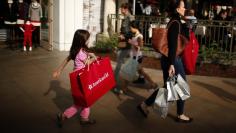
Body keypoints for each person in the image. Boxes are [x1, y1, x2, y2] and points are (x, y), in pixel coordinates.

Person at [137, 0, 193, 123]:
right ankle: (180, 114)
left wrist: (187, 25)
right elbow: (173, 45)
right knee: (181, 86)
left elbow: (183, 39)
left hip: (170, 59)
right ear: (178, 9)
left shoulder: (176, 22)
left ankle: (145, 105)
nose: (186, 9)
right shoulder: (175, 23)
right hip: (173, 60)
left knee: (169, 87)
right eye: (183, 7)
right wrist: (172, 63)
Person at [52, 29, 97, 127]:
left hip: (77, 78)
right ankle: (64, 115)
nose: (89, 40)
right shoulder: (81, 52)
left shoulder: (77, 49)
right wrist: (93, 58)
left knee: (84, 100)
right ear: (82, 41)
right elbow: (87, 62)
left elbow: (67, 59)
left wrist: (59, 70)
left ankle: (84, 118)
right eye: (87, 39)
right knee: (81, 102)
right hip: (81, 79)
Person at [119, 20, 157, 93]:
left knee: (128, 72)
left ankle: (124, 88)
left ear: (135, 28)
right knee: (141, 72)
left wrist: (130, 42)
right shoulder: (135, 35)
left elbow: (140, 46)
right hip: (135, 57)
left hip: (136, 58)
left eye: (131, 28)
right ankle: (153, 84)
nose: (130, 29)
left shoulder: (139, 36)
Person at [113, 3, 134, 94]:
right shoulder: (127, 18)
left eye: (121, 8)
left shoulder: (130, 18)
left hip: (126, 44)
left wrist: (123, 36)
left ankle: (114, 85)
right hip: (125, 44)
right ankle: (122, 86)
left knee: (120, 66)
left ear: (125, 9)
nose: (120, 10)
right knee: (127, 65)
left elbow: (133, 32)